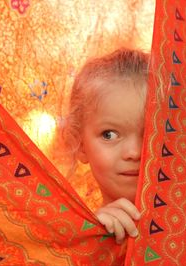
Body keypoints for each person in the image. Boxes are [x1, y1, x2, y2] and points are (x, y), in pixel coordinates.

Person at [61, 48, 149, 244]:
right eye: (109, 135)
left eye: (150, 132)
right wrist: (94, 247)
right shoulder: (76, 246)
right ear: (80, 145)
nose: (134, 152)